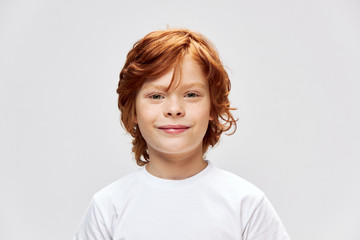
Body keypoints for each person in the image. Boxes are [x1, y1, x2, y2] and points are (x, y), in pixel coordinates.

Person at [73, 29, 291, 240]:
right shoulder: (108, 207)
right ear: (134, 110)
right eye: (156, 96)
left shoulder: (247, 205)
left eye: (191, 94)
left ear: (213, 108)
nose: (174, 109)